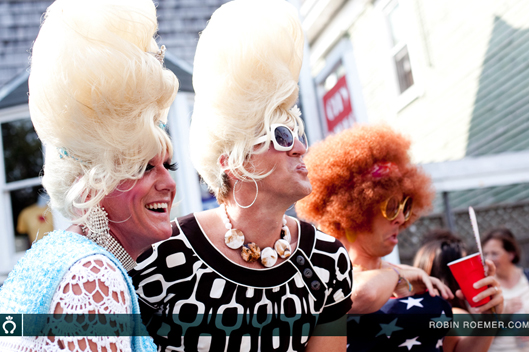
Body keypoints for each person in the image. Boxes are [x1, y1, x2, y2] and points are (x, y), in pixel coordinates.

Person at [131, 1, 353, 351]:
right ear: (234, 163)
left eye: (299, 135)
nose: (298, 148)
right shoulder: (162, 257)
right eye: (281, 136)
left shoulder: (327, 260)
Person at [0, 0, 179, 351]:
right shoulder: (92, 275)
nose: (168, 184)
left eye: (167, 166)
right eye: (143, 167)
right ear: (94, 180)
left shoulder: (55, 256)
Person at [296, 124, 503, 351]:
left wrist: (488, 320)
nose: (401, 217)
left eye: (406, 205)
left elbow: (455, 349)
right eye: (391, 207)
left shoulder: (411, 276)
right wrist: (397, 275)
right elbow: (361, 294)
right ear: (351, 212)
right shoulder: (323, 280)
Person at [414, 229, 502, 352]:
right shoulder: (457, 316)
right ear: (452, 275)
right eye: (466, 264)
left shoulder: (419, 315)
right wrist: (490, 317)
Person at [482, 228, 529, 352]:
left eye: (494, 254)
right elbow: (476, 331)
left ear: (511, 254)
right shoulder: (485, 287)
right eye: (485, 254)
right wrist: (503, 313)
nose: (488, 260)